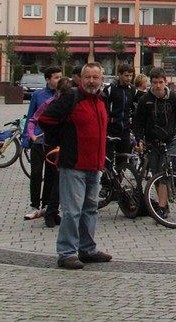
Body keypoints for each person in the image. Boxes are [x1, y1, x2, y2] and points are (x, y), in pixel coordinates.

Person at [37, 62, 113, 270]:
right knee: (72, 211)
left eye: (95, 77)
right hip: (73, 164)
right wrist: (61, 142)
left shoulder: (101, 100)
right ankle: (67, 253)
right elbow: (45, 119)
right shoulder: (71, 97)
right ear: (81, 78)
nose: (91, 81)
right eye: (87, 77)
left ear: (101, 79)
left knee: (90, 209)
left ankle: (87, 249)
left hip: (94, 165)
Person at [133, 68, 176, 220]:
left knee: (164, 171)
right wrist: (139, 139)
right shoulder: (145, 100)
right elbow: (138, 123)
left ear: (165, 82)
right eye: (155, 82)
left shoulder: (173, 98)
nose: (158, 86)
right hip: (152, 142)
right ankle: (163, 203)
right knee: (156, 174)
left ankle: (162, 207)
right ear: (151, 83)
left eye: (161, 82)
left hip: (170, 140)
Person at [24, 66, 62, 224]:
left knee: (52, 174)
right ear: (47, 79)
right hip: (38, 140)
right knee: (36, 172)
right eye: (55, 77)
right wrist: (27, 137)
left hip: (54, 141)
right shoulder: (38, 95)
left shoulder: (62, 96)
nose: (58, 80)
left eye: (60, 77)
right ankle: (34, 204)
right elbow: (31, 116)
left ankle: (47, 204)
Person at [103, 62, 137, 169]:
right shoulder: (110, 89)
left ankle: (119, 180)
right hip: (112, 128)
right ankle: (107, 183)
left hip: (125, 129)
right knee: (108, 157)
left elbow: (134, 106)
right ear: (120, 75)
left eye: (131, 76)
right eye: (126, 75)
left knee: (122, 158)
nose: (129, 78)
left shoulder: (132, 89)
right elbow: (104, 108)